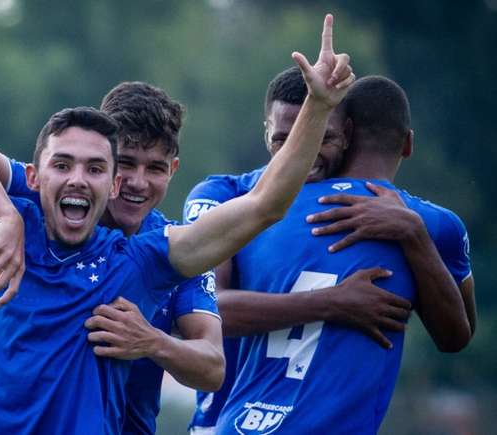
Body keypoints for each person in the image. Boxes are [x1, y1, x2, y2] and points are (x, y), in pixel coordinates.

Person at [0, 1, 355, 432]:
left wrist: (318, 108)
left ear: (108, 185)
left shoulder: (143, 258)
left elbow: (264, 205)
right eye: (63, 164)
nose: (80, 178)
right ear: (34, 175)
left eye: (95, 168)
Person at [0, 81, 224, 435]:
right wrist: (4, 214)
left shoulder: (176, 249)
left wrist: (152, 342)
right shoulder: (52, 191)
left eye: (156, 169)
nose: (138, 182)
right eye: (127, 164)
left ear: (173, 169)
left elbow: (212, 368)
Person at [187, 74, 474, 434]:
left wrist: (413, 233)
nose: (302, 151)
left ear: (346, 135)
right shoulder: (232, 200)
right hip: (213, 423)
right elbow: (207, 311)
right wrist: (333, 302)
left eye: (321, 138)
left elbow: (455, 338)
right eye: (284, 139)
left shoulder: (412, 224)